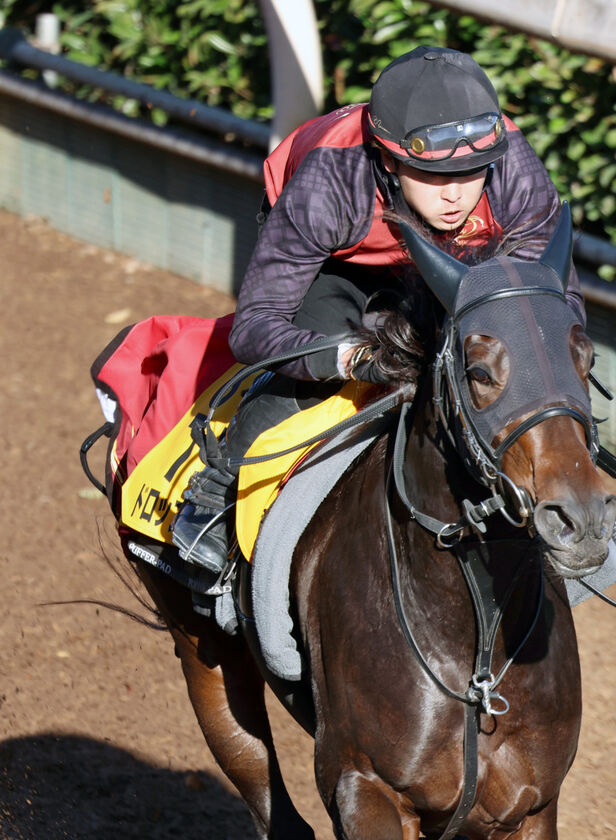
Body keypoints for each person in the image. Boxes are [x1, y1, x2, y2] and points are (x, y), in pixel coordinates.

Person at [172, 45, 586, 573]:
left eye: (473, 171)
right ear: (389, 159)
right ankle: (216, 494)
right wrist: (351, 359)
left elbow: (558, 304)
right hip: (341, 260)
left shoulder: (513, 170)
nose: (456, 195)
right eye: (432, 175)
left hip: (451, 259)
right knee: (307, 368)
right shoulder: (327, 185)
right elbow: (255, 327)